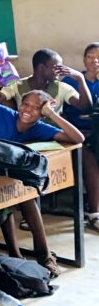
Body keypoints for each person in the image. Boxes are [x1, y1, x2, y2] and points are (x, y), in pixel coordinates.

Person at [0, 76, 84, 277]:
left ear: (42, 113)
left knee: (22, 193)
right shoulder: (2, 112)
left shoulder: (39, 127)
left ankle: (27, 254)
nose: (28, 110)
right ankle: (40, 256)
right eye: (25, 104)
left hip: (2, 176)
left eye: (36, 108)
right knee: (22, 195)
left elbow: (78, 138)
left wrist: (51, 113)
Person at [62, 43, 99, 230]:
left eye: (98, 57)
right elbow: (73, 109)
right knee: (89, 158)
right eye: (90, 57)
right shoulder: (72, 81)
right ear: (84, 59)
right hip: (75, 132)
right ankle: (95, 212)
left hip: (96, 132)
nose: (95, 61)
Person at [0, 49, 89, 114]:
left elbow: (85, 107)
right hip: (26, 133)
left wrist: (80, 78)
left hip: (54, 135)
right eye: (56, 67)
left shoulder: (62, 87)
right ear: (41, 67)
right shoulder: (16, 85)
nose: (60, 71)